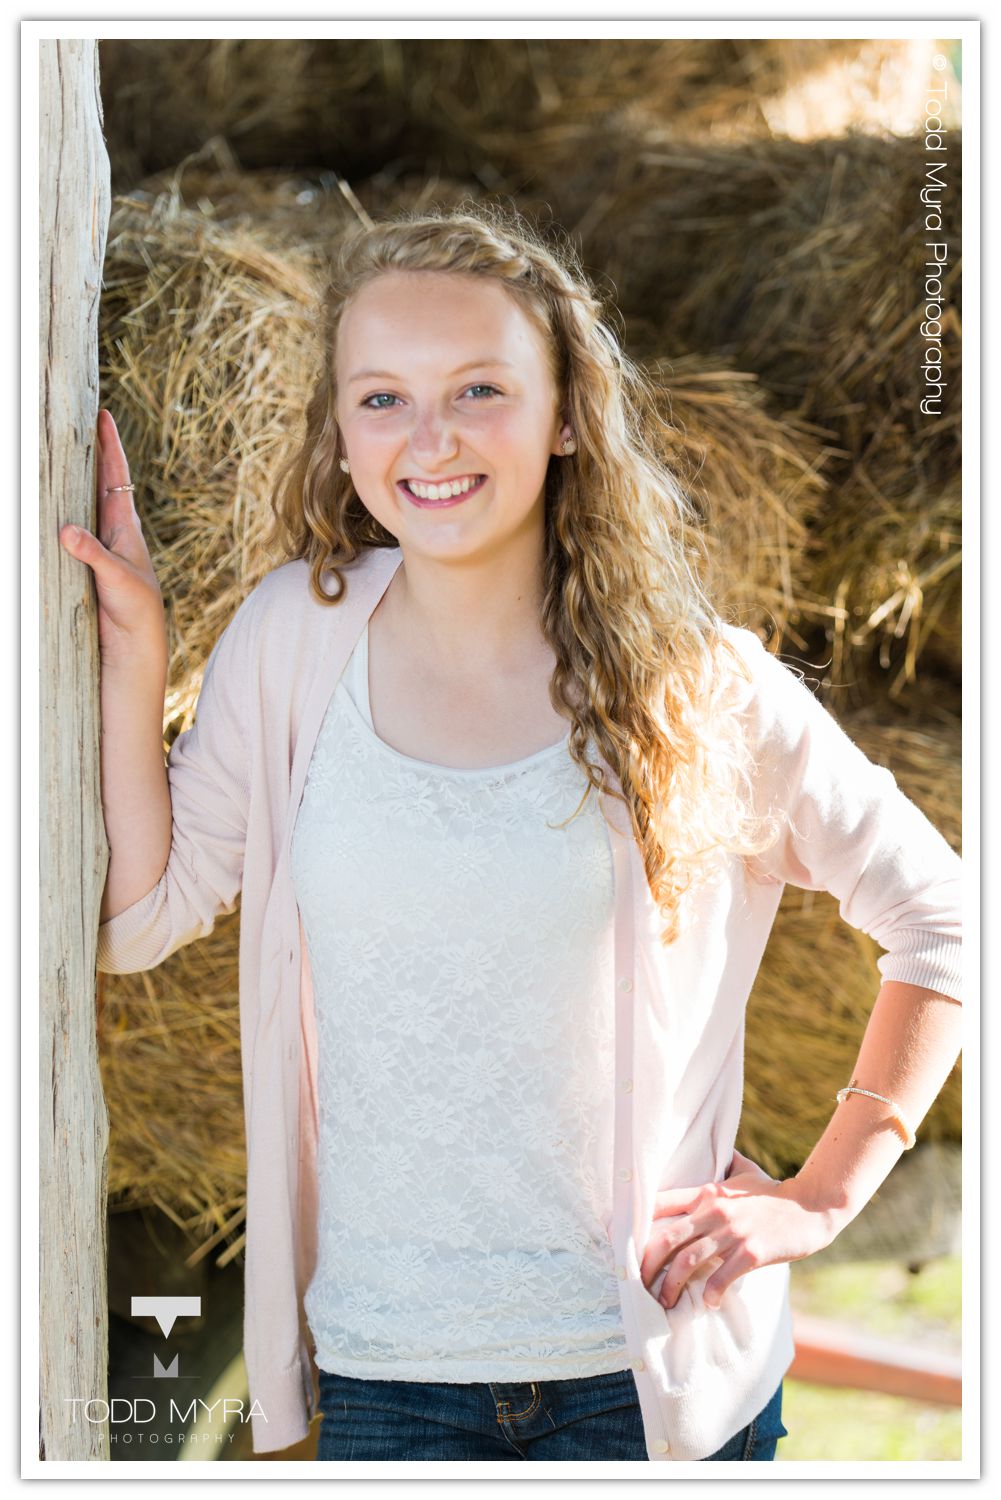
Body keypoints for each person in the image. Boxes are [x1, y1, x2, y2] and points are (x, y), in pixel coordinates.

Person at [65, 201, 963, 1464]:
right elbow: (144, 917)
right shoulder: (286, 643)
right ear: (337, 429)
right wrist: (135, 653)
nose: (426, 439)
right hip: (389, 1377)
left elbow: (942, 918)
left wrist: (823, 1196)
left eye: (477, 388)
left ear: (565, 413)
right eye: (379, 398)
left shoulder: (695, 687)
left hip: (643, 1386)